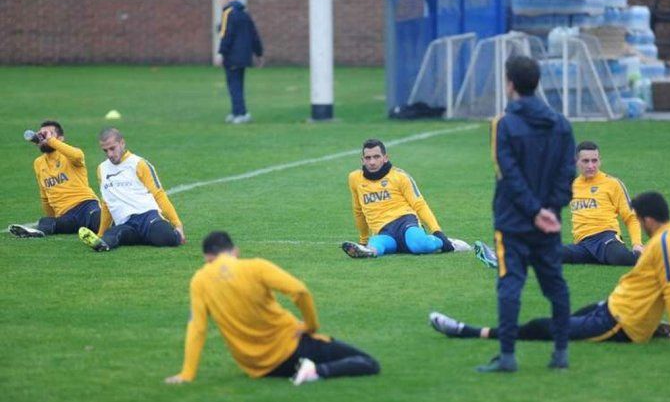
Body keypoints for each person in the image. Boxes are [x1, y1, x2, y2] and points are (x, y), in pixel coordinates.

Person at [430, 192, 670, 350]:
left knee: (543, 327)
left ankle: (466, 331)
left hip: (620, 321)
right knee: (572, 316)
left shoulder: (668, 244)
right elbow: (651, 286)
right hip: (615, 306)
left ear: (647, 220)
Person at [164, 231, 380, 386]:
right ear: (235, 252)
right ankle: (314, 371)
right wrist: (311, 326)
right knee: (368, 363)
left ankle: (307, 369)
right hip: (291, 347)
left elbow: (197, 328)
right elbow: (300, 291)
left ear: (207, 258)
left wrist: (187, 374)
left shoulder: (199, 280)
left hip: (258, 368)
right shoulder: (255, 267)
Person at [479, 55, 576, 373]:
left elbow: (507, 173)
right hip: (549, 223)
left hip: (513, 222)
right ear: (537, 83)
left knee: (510, 285)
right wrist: (550, 210)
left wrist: (534, 211)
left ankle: (507, 357)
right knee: (556, 286)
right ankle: (561, 354)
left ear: (509, 83)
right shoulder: (562, 124)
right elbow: (567, 173)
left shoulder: (503, 123)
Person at [474, 140, 643, 267]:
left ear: (600, 161)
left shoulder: (612, 183)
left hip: (605, 238)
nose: (591, 165)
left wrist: (637, 245)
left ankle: (658, 256)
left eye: (594, 160)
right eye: (586, 161)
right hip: (583, 245)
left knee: (621, 259)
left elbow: (630, 217)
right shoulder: (571, 185)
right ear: (576, 162)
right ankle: (499, 257)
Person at [341, 139, 470, 258]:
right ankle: (366, 252)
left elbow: (419, 204)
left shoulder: (400, 176)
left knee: (419, 245)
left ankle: (447, 243)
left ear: (385, 158)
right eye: (368, 158)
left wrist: (437, 231)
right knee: (376, 245)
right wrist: (363, 240)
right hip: (382, 231)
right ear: (362, 160)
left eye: (376, 157)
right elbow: (358, 211)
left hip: (405, 223)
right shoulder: (354, 178)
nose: (372, 162)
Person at [78, 128, 185, 252]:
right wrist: (101, 234)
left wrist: (178, 225)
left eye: (112, 148)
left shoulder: (139, 164)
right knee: (112, 235)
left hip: (148, 218)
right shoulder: (102, 169)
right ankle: (101, 244)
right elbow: (107, 203)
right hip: (126, 224)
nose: (109, 154)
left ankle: (172, 235)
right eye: (105, 150)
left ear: (122, 143)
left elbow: (159, 194)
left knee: (167, 238)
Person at [8, 120, 101, 238]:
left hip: (86, 206)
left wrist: (51, 141)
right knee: (46, 222)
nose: (43, 137)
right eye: (41, 134)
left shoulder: (69, 155)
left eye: (48, 133)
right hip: (66, 215)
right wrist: (52, 218)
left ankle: (106, 231)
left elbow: (78, 155)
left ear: (60, 139)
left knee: (96, 218)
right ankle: (35, 234)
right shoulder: (38, 163)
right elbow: (45, 197)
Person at [216, 0, 264, 124]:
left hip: (232, 56)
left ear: (226, 1)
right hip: (245, 56)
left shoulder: (227, 13)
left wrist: (221, 53)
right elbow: (254, 34)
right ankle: (241, 112)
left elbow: (226, 35)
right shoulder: (245, 14)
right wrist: (259, 53)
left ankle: (239, 114)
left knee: (233, 86)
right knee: (239, 85)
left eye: (221, 1)